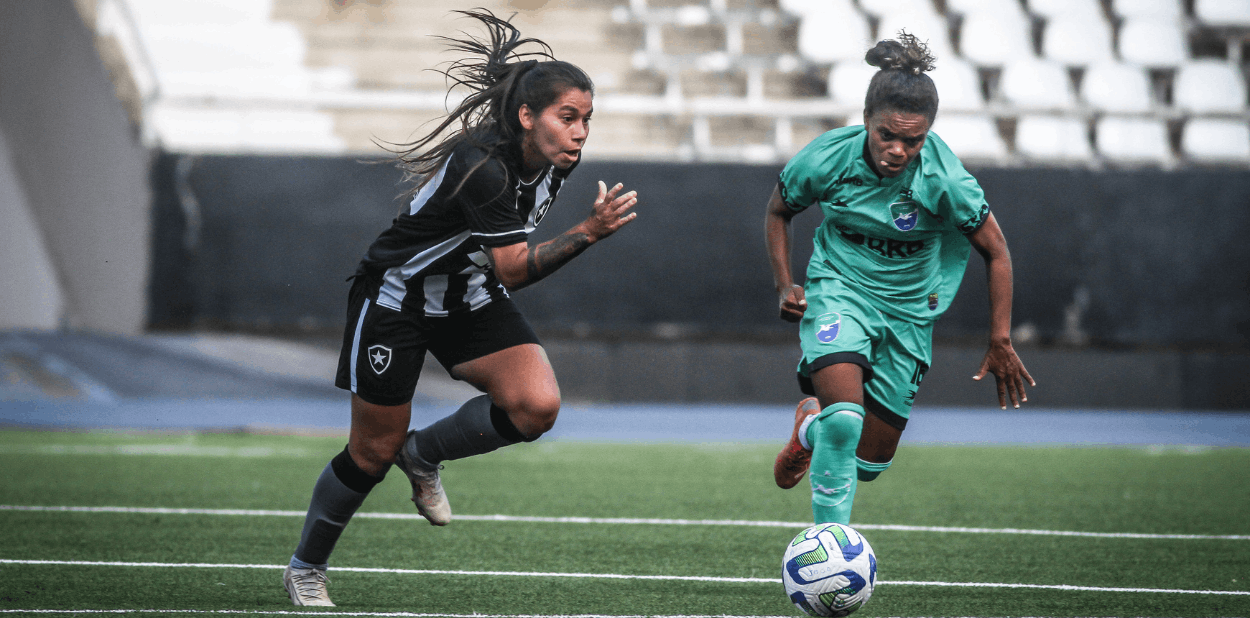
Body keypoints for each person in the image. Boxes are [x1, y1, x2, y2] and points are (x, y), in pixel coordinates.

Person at [282, 10, 638, 606]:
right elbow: (514, 268)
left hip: (468, 293)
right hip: (399, 297)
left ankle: (422, 453)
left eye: (587, 119)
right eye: (568, 117)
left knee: (536, 407)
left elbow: (498, 264)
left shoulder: (552, 161)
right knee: (370, 453)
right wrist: (589, 232)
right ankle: (305, 567)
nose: (580, 133)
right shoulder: (484, 167)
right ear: (527, 117)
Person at [765, 33, 1034, 526]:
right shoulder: (826, 158)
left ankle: (809, 429)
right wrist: (785, 284)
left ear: (928, 133)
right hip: (839, 289)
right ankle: (829, 545)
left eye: (913, 140)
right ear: (866, 119)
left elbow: (996, 251)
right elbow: (779, 211)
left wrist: (1000, 338)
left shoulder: (944, 179)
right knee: (845, 421)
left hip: (908, 311)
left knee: (869, 463)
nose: (897, 150)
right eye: (886, 134)